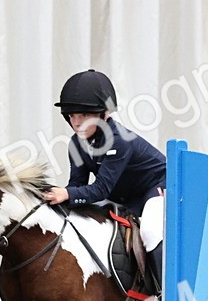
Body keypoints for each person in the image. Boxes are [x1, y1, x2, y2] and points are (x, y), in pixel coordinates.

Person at [42, 69, 165, 288]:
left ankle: (165, 294)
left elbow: (100, 190)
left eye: (84, 116)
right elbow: (77, 185)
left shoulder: (119, 141)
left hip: (158, 186)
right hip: (125, 194)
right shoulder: (76, 144)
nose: (77, 122)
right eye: (72, 116)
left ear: (104, 115)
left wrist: (67, 194)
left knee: (150, 231)